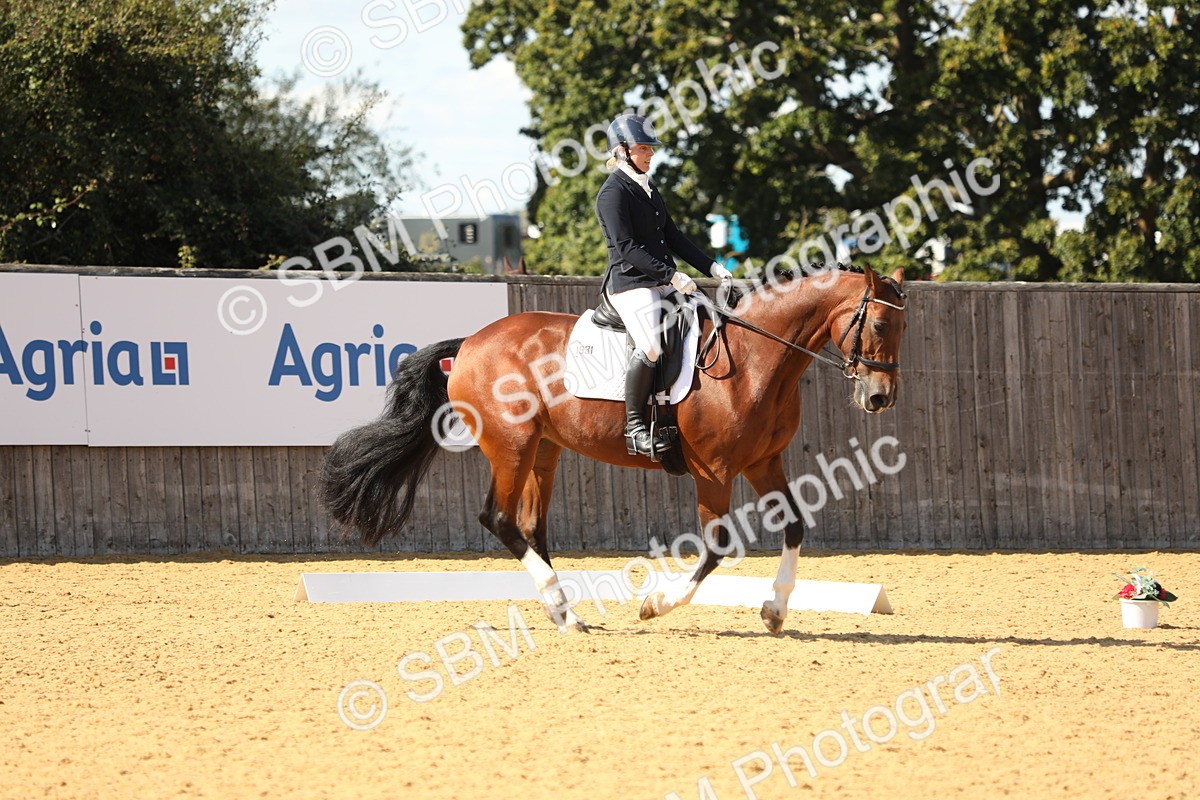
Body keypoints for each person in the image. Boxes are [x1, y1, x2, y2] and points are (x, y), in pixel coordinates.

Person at [594, 113, 732, 459]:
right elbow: (626, 248)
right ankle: (635, 426)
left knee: (706, 315)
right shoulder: (612, 194)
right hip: (630, 285)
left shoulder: (649, 187)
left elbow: (674, 238)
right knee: (652, 346)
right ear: (623, 151)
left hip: (660, 280)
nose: (650, 154)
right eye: (643, 149)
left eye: (650, 149)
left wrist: (712, 267)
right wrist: (671, 276)